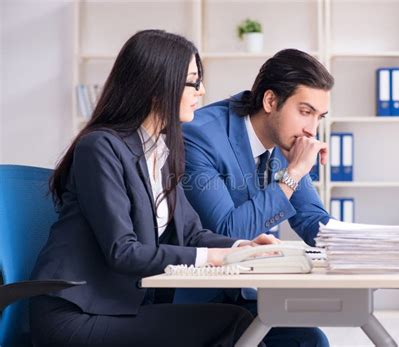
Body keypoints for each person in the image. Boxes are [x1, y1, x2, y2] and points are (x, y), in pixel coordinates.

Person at [29, 29, 277, 347]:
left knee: (245, 322)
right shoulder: (101, 147)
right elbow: (123, 251)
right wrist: (214, 258)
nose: (202, 91)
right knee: (236, 325)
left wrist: (241, 248)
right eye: (193, 81)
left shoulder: (161, 151)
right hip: (77, 316)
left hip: (120, 309)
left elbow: (192, 235)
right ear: (157, 85)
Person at [176, 49, 335, 347]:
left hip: (243, 294)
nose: (312, 130)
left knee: (310, 340)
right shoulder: (199, 137)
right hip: (196, 298)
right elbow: (226, 232)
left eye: (319, 117)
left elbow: (313, 219)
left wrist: (369, 244)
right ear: (270, 101)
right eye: (305, 111)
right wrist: (295, 173)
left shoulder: (284, 139)